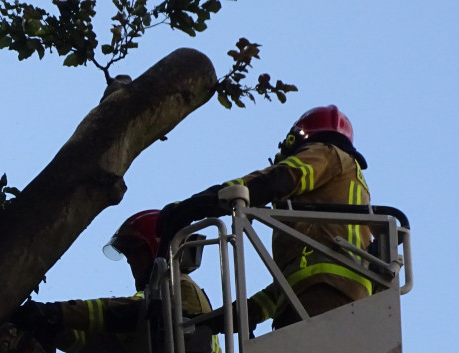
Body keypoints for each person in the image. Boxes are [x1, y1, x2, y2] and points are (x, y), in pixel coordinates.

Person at [157, 104, 373, 331]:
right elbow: (285, 285)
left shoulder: (327, 153)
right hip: (317, 297)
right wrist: (241, 314)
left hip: (323, 294)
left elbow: (278, 179)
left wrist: (202, 201)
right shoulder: (321, 226)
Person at [0, 209, 230, 353]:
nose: (130, 261)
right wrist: (56, 329)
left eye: (135, 250)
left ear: (158, 248)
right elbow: (106, 339)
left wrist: (54, 313)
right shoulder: (155, 304)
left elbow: (128, 313)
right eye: (126, 254)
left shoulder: (178, 285)